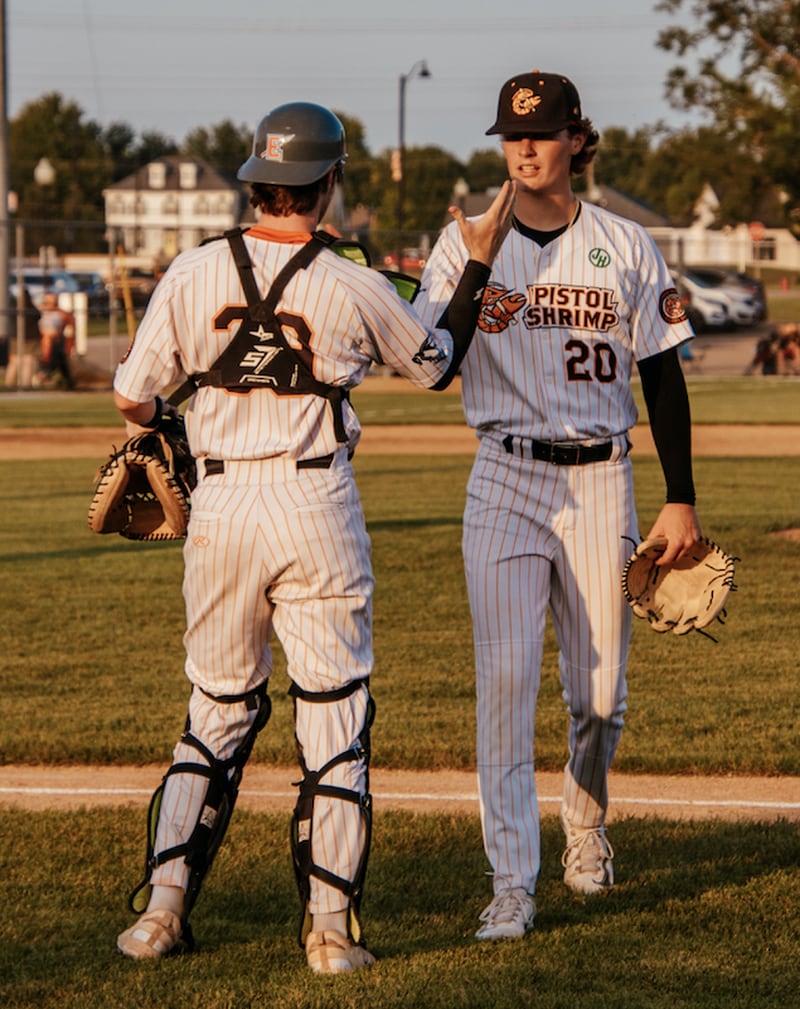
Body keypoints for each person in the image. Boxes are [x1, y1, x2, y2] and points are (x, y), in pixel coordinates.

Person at [112, 101, 515, 973]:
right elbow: (437, 361)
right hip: (313, 502)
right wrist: (477, 262)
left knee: (215, 712)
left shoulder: (190, 269)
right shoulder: (352, 280)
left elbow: (132, 397)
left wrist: (172, 430)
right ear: (328, 183)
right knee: (334, 718)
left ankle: (160, 916)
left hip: (219, 509)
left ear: (258, 177)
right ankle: (329, 932)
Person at [415, 70, 702, 940]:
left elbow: (661, 374)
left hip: (599, 477)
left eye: (541, 133)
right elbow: (438, 361)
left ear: (578, 138)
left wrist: (680, 498)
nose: (524, 149)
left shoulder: (624, 242)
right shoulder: (464, 240)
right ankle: (511, 880)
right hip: (503, 475)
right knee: (504, 686)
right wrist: (473, 256)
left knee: (602, 695)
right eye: (511, 134)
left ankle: (586, 827)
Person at [3, 288, 41, 388]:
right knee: (25, 362)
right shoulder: (29, 309)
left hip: (20, 338)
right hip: (26, 339)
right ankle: (23, 384)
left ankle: (12, 384)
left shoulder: (18, 309)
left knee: (19, 362)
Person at [37, 292, 76, 388]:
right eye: (48, 301)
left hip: (57, 342)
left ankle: (66, 380)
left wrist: (70, 344)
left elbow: (70, 326)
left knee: (60, 356)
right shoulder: (39, 312)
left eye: (54, 302)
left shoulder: (61, 314)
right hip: (42, 342)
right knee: (50, 347)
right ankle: (46, 374)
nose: (51, 304)